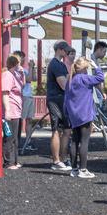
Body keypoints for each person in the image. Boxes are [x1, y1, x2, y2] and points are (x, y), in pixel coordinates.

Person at [64, 57, 105, 179]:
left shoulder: (70, 80)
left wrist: (67, 114)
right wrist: (96, 66)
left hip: (73, 115)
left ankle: (74, 169)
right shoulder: (84, 78)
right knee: (84, 141)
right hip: (85, 114)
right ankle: (83, 169)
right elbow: (100, 78)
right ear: (84, 69)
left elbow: (66, 99)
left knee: (75, 141)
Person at [46, 41, 72, 171]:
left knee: (67, 130)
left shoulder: (62, 64)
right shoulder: (55, 64)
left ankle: (63, 158)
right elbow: (64, 84)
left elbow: (69, 80)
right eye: (66, 50)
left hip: (63, 99)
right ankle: (56, 161)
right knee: (56, 129)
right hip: (56, 99)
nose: (67, 52)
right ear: (60, 50)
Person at [1, 54, 24, 169]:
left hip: (17, 111)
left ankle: (15, 161)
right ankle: (8, 162)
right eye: (19, 62)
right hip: (10, 111)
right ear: (15, 63)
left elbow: (22, 85)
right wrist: (7, 111)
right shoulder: (7, 75)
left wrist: (22, 73)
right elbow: (5, 93)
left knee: (15, 137)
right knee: (8, 137)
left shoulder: (16, 75)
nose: (21, 64)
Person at [13, 50, 36, 152]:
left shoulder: (25, 69)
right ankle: (16, 142)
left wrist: (33, 67)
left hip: (29, 96)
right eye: (21, 57)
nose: (23, 60)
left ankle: (28, 141)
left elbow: (34, 78)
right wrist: (31, 67)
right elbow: (29, 79)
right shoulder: (18, 70)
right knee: (20, 120)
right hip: (23, 96)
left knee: (29, 120)